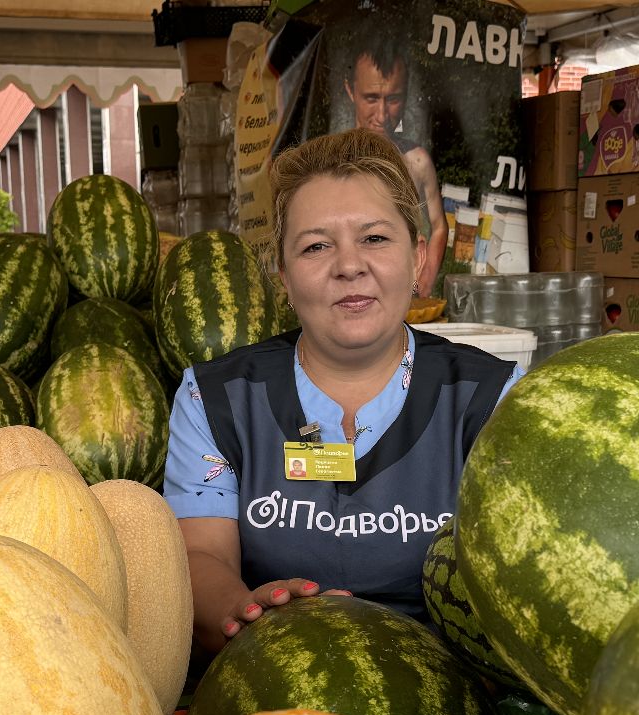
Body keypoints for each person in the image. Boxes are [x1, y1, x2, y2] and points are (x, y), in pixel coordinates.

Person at [164, 128, 522, 654]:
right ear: (283, 277)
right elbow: (199, 557)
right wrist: (245, 616)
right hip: (275, 677)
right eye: (316, 246)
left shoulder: (490, 398)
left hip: (459, 693)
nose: (349, 265)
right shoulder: (216, 400)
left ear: (419, 257)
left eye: (375, 238)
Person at [343, 41, 448, 297]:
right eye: (371, 98)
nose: (382, 114)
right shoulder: (329, 163)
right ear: (350, 91)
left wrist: (424, 281)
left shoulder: (417, 162)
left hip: (404, 306)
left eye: (393, 99)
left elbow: (439, 226)